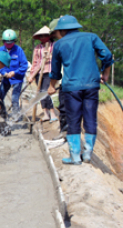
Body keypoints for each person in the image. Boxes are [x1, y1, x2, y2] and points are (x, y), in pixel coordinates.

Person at [48, 15, 114, 165]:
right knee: (90, 117)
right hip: (91, 86)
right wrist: (105, 73)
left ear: (62, 30)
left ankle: (75, 156)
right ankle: (88, 154)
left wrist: (51, 86)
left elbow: (56, 71)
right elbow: (107, 55)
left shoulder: (59, 44)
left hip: (72, 89)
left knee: (73, 119)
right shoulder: (91, 37)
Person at [0, 29, 28, 119]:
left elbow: (24, 65)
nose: (9, 45)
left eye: (11, 43)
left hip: (17, 79)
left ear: (14, 42)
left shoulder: (19, 50)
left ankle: (16, 115)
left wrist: (15, 72)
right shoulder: (0, 50)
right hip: (6, 78)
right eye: (7, 43)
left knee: (15, 98)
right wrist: (4, 73)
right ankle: (3, 113)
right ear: (3, 42)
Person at [28, 26, 57, 122]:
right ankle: (45, 114)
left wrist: (50, 56)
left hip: (49, 71)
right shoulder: (37, 48)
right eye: (41, 36)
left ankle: (52, 113)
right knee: (40, 93)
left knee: (46, 91)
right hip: (38, 72)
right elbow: (35, 61)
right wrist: (31, 75)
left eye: (45, 35)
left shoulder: (54, 45)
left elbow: (58, 58)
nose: (43, 37)